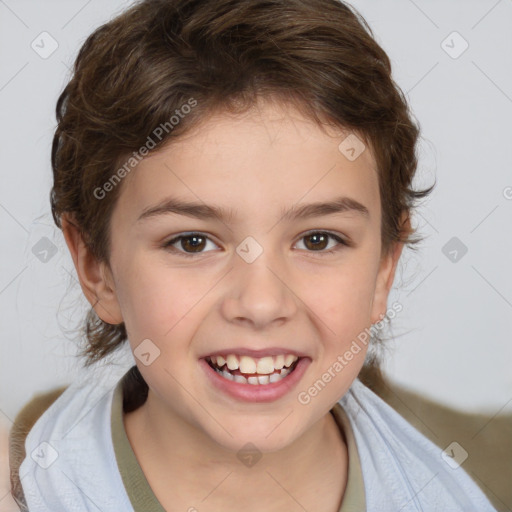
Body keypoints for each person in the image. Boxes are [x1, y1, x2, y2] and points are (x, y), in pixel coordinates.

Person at [9, 0, 498, 510]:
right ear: (97, 270)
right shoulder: (33, 486)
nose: (262, 304)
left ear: (383, 269)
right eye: (192, 242)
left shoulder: (471, 483)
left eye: (318, 240)